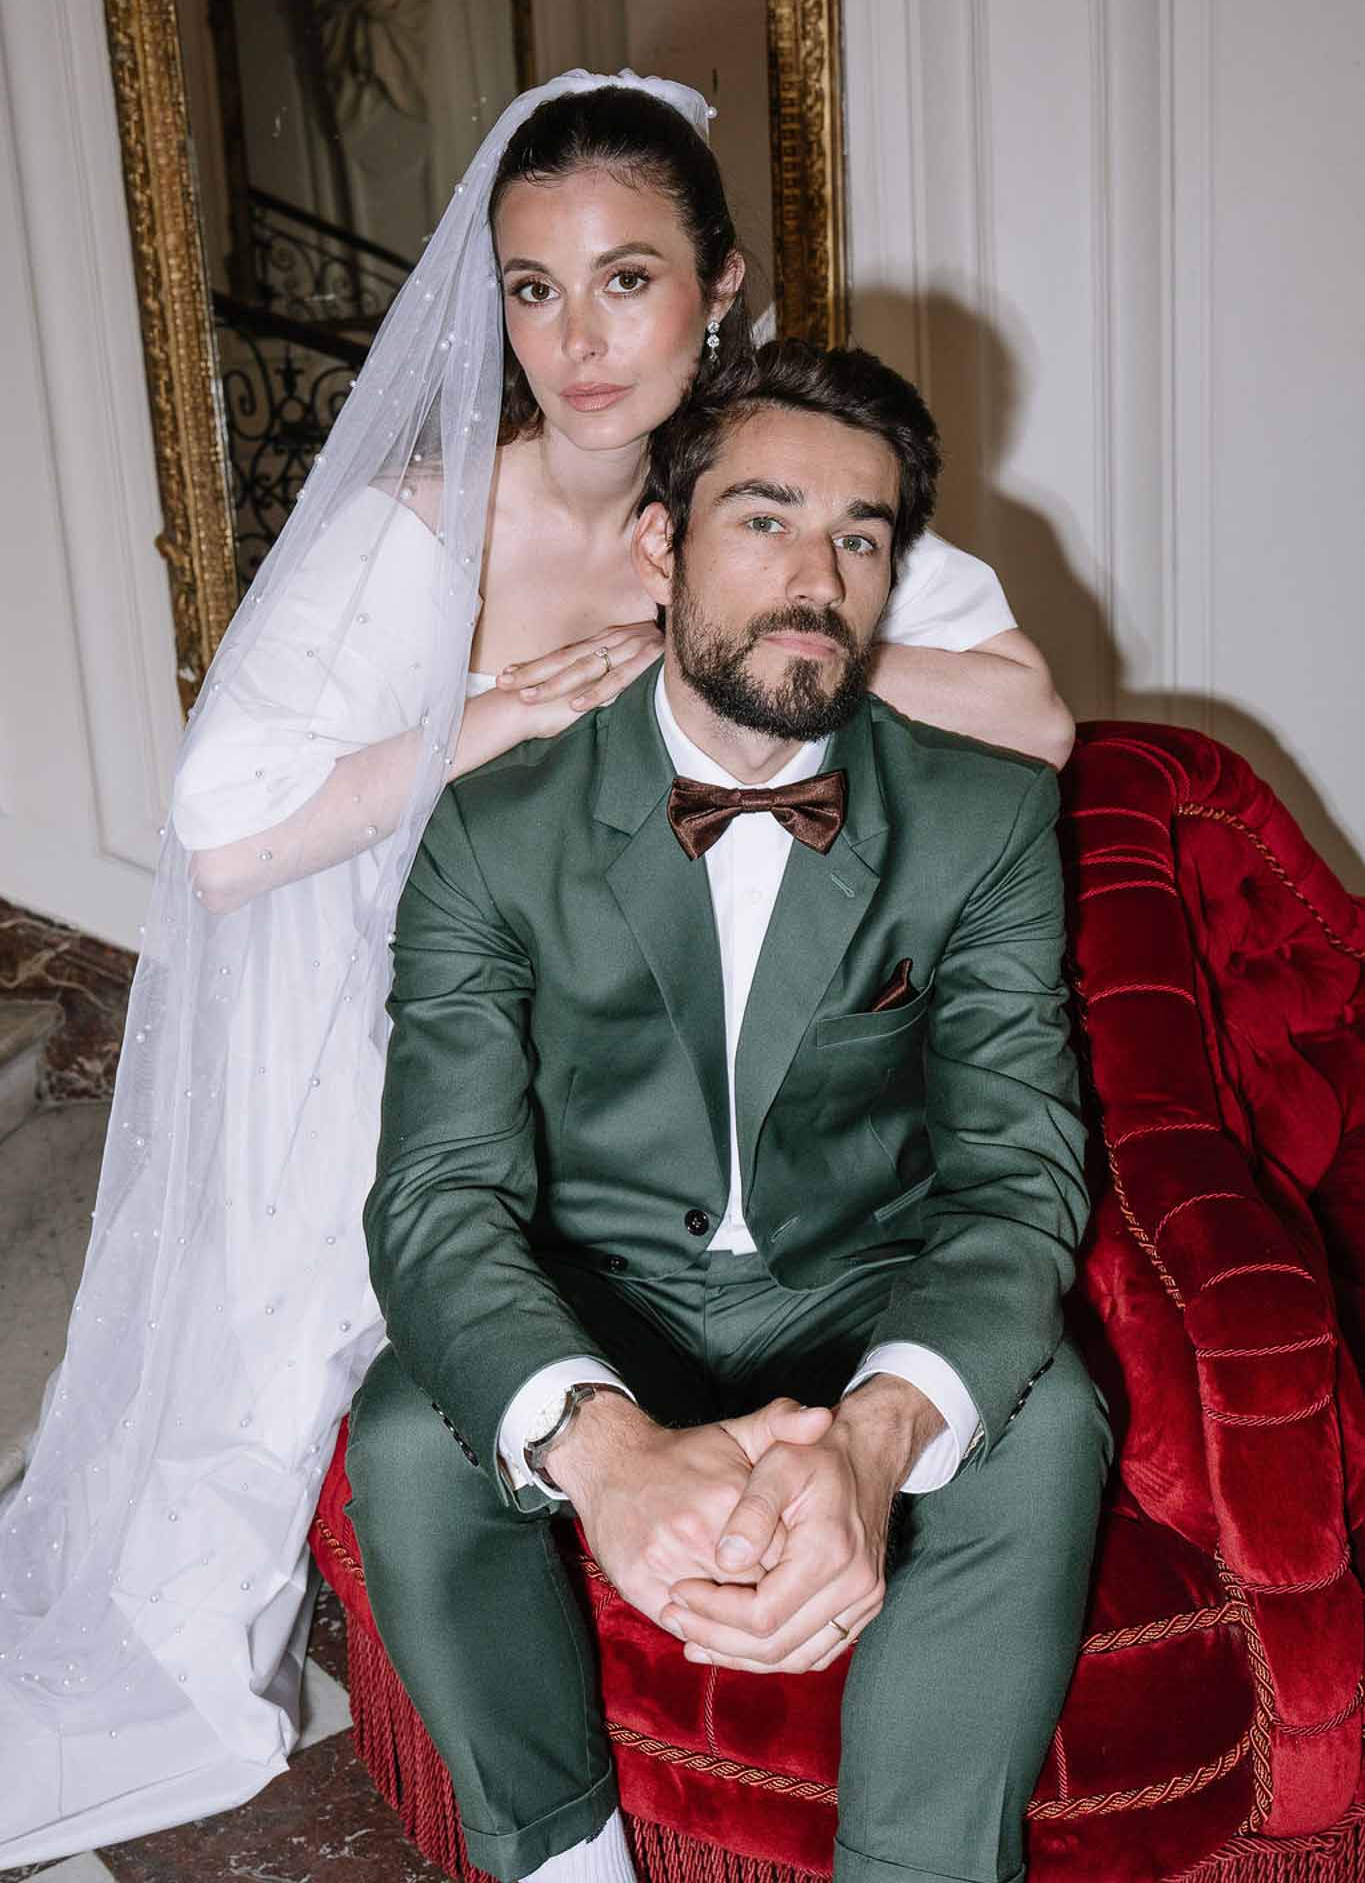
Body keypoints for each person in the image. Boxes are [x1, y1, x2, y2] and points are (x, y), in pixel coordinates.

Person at [0, 70, 1067, 1863]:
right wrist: (474, 725)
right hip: (428, 993)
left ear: (717, 289)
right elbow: (223, 836)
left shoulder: (772, 491)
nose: (578, 342)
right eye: (532, 289)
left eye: (626, 281)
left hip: (686, 1033)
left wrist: (747, 633)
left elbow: (1028, 717)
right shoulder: (424, 525)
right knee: (349, 1409)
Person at [349, 338, 1110, 1883]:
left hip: (860, 1285)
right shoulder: (490, 831)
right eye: (763, 520)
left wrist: (875, 1442)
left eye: (859, 539)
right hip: (606, 1292)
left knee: (1049, 1424)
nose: (814, 579)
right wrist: (607, 1452)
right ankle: (560, 1858)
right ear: (660, 546)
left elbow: (1017, 1175)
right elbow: (438, 1193)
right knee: (406, 1436)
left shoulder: (983, 818)